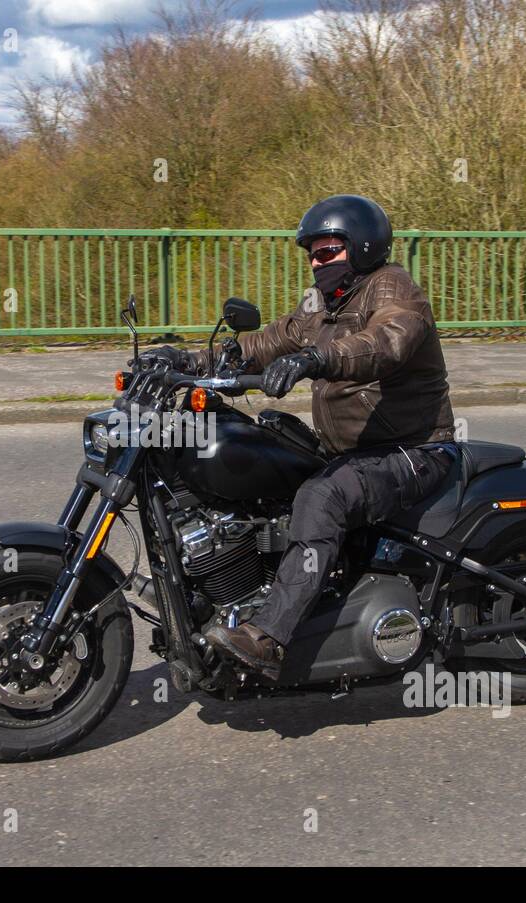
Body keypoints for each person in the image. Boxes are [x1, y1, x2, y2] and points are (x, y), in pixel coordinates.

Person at [143, 195, 455, 681]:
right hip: (346, 451)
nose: (316, 263)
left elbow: (385, 342)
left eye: (327, 252)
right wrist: (186, 362)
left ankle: (269, 637)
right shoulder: (322, 305)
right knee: (260, 450)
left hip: (412, 450)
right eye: (311, 254)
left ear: (362, 248)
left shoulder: (393, 289)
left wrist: (316, 360)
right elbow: (265, 343)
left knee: (322, 494)